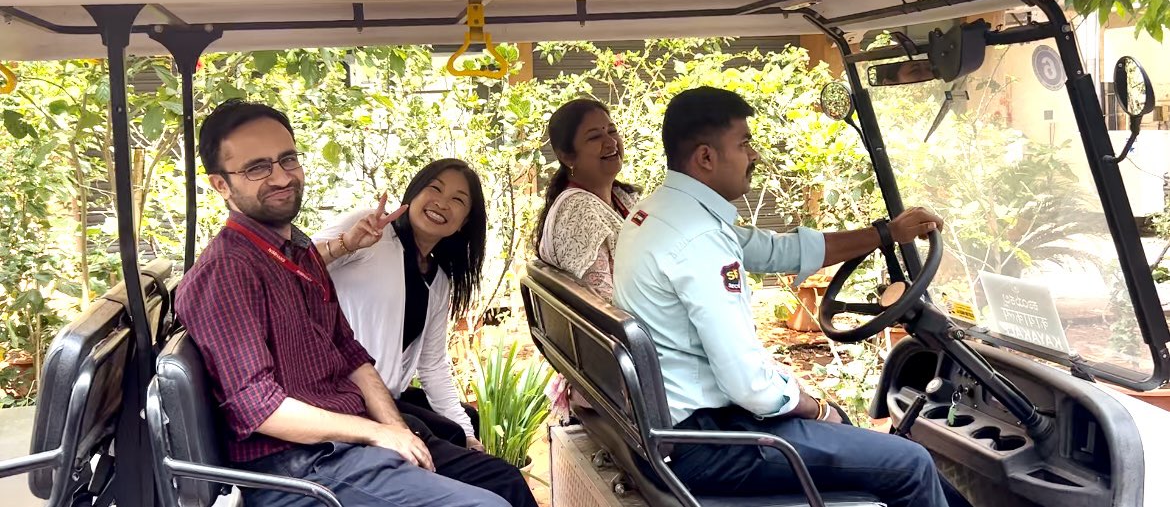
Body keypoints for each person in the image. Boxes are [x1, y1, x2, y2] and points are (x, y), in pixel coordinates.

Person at [612, 86, 969, 507]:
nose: (755, 156)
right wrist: (815, 407)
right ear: (706, 157)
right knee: (909, 464)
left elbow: (776, 250)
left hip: (681, 426)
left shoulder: (662, 212)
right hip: (708, 442)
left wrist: (884, 234)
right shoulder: (699, 240)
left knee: (894, 454)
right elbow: (749, 386)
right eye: (744, 144)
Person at [175, 99, 510, 507]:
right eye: (257, 168)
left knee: (500, 481)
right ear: (221, 185)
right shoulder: (227, 270)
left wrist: (394, 427)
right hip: (300, 467)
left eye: (287, 160)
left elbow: (352, 354)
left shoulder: (296, 253)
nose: (280, 177)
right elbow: (259, 409)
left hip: (348, 442)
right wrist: (376, 432)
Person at [312, 159, 538, 507]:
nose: (442, 203)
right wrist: (348, 242)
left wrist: (465, 434)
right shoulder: (369, 235)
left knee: (462, 428)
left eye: (458, 200)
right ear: (414, 191)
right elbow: (291, 267)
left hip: (386, 400)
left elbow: (432, 366)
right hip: (344, 404)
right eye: (434, 188)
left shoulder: (438, 280)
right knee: (502, 479)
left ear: (464, 223)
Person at [535, 98, 639, 301]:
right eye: (594, 137)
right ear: (567, 157)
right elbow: (603, 307)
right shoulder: (579, 211)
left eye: (612, 131)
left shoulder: (621, 197)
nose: (610, 142)